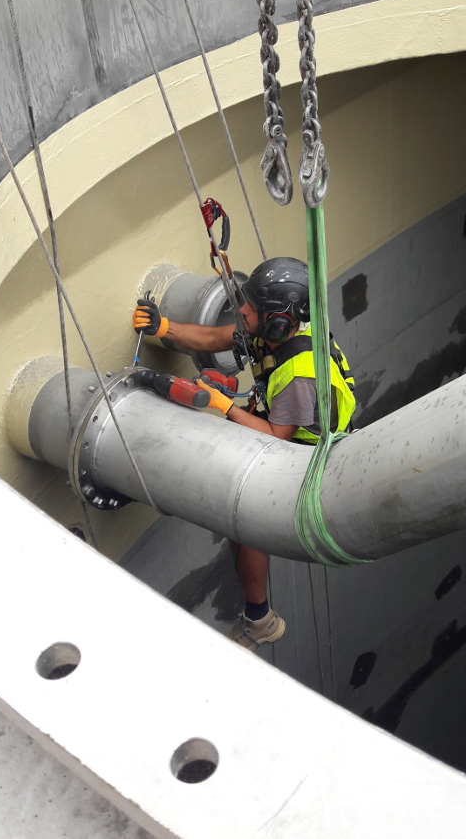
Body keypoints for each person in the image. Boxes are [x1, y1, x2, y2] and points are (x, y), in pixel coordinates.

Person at [132, 257, 356, 650]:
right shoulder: (272, 332)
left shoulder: (300, 372)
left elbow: (276, 436)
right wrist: (162, 327)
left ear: (278, 321)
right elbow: (216, 339)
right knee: (239, 528)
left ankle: (259, 621)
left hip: (310, 457)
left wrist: (224, 406)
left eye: (251, 308)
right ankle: (257, 610)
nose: (243, 311)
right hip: (284, 425)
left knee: (246, 519)